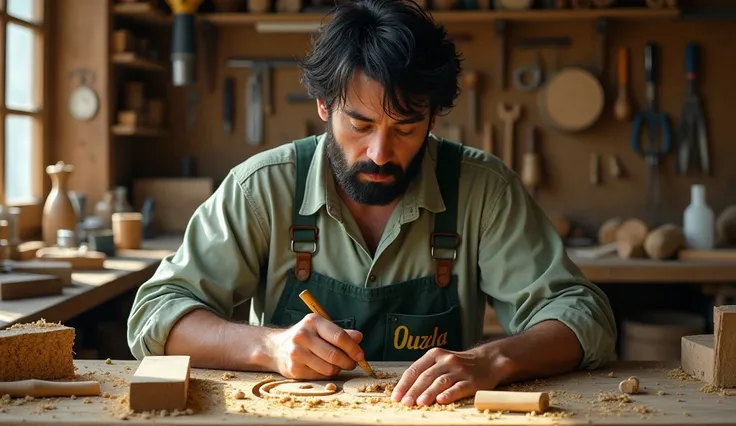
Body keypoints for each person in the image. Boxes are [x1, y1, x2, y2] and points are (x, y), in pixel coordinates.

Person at [127, 0, 616, 407]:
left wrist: (494, 358)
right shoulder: (263, 187)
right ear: (323, 105)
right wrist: (268, 346)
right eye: (360, 125)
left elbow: (582, 315)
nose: (381, 153)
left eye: (405, 128)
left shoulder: (481, 188)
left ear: (433, 117)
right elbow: (156, 315)